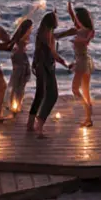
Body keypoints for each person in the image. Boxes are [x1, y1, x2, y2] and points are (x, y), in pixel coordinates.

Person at [28, 11, 73, 139]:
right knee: (52, 95)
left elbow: (55, 37)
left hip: (44, 67)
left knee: (43, 94)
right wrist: (66, 64)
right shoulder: (47, 35)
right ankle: (39, 125)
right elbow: (53, 53)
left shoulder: (44, 33)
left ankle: (34, 124)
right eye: (56, 19)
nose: (58, 20)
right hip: (46, 67)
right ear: (52, 21)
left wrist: (69, 32)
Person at [65, 0, 97, 127]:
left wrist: (79, 40)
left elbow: (85, 41)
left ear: (81, 20)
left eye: (77, 19)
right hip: (83, 60)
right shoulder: (81, 29)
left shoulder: (87, 31)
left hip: (83, 61)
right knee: (85, 90)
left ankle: (88, 112)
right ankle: (88, 119)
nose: (76, 21)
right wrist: (70, 8)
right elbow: (73, 17)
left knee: (75, 89)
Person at [6, 18, 35, 114]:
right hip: (20, 57)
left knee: (20, 83)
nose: (32, 29)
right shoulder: (22, 36)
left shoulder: (20, 35)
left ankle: (16, 104)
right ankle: (14, 105)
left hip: (21, 57)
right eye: (30, 27)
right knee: (18, 83)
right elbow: (19, 46)